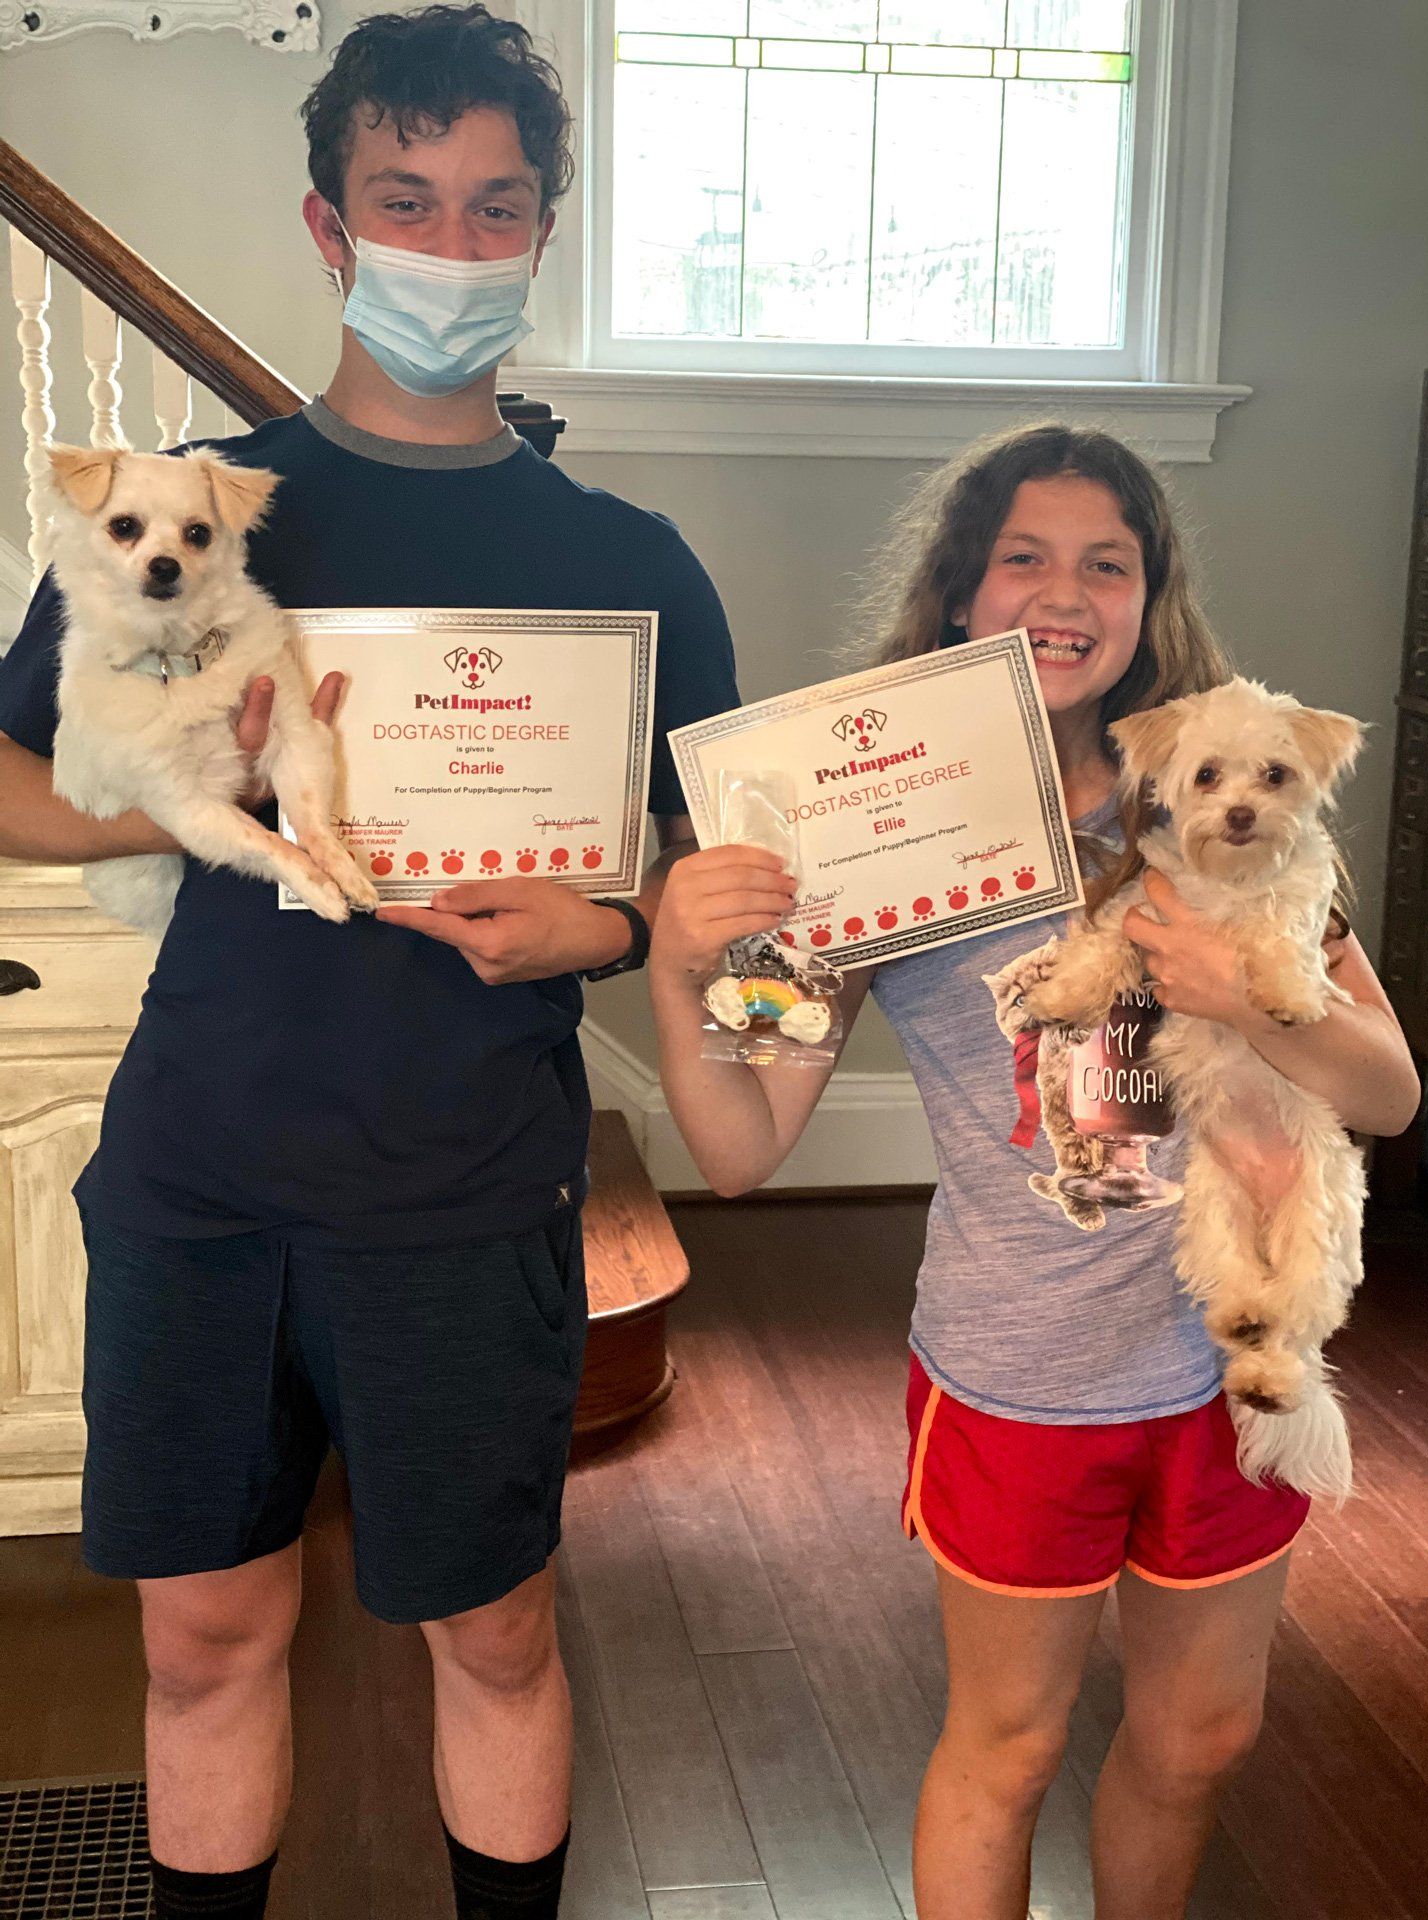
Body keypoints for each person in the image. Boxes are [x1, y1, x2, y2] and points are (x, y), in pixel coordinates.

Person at [0, 9, 739, 1918]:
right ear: (331, 229)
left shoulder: (630, 560)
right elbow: (7, 776)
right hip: (200, 1182)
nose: (451, 244)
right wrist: (185, 793)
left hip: (465, 1197)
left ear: (543, 231)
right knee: (200, 1646)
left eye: (495, 209)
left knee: (493, 1644)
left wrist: (619, 925)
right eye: (406, 202)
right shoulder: (184, 510)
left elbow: (724, 867)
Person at [647, 424, 1421, 1920]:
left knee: (1205, 1737)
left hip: (1227, 1362)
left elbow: (1386, 1091)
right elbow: (740, 1152)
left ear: (1146, 601)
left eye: (1106, 563)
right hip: (1025, 1378)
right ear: (957, 594)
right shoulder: (862, 831)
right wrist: (685, 975)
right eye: (1023, 556)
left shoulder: (1218, 797)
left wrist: (1251, 996)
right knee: (1007, 1748)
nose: (1064, 591)